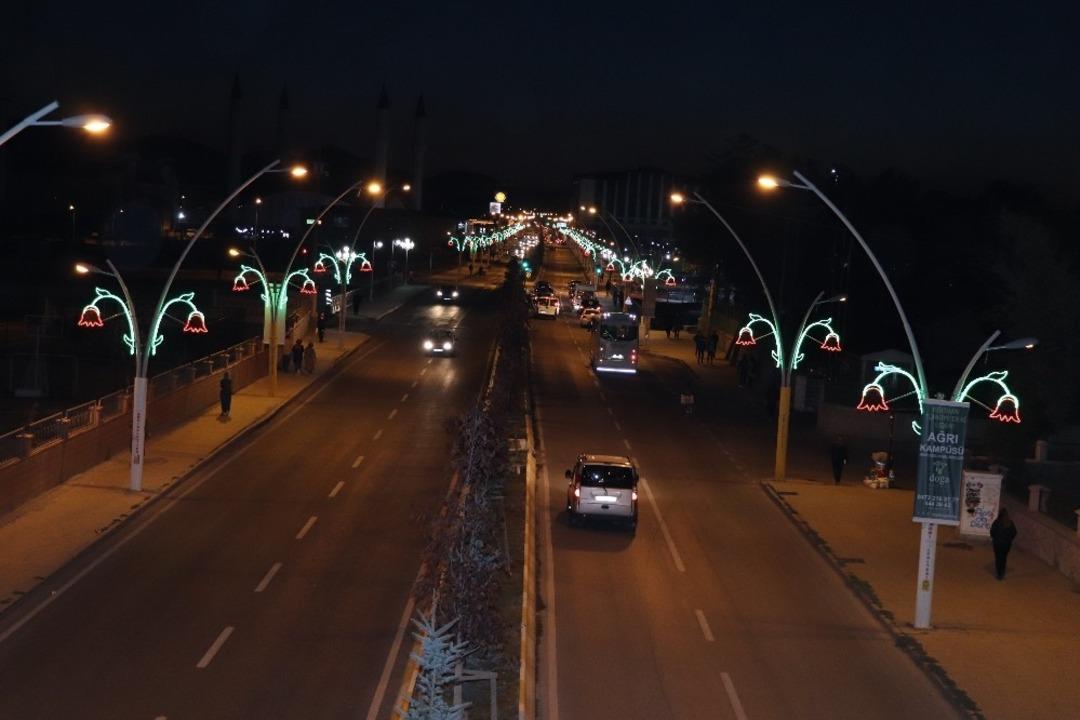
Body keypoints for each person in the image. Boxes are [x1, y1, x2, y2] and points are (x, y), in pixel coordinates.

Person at [990, 507, 1018, 580]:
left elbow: (992, 532)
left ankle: (999, 573)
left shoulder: (997, 522)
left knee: (998, 558)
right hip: (1006, 544)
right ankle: (1002, 572)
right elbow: (1014, 532)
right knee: (1004, 558)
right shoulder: (1010, 523)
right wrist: (1009, 539)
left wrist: (995, 538)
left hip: (997, 543)